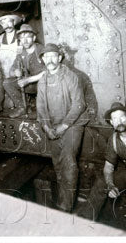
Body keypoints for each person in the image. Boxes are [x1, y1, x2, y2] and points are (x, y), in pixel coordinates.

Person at [36, 43, 88, 212]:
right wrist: (45, 126)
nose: (50, 59)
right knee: (57, 164)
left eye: (53, 56)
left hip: (72, 123)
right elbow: (41, 106)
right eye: (46, 56)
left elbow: (79, 104)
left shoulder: (70, 76)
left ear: (59, 58)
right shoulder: (42, 79)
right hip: (53, 125)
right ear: (43, 59)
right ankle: (64, 200)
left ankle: (65, 207)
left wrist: (64, 126)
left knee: (68, 162)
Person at [4, 24, 46, 118]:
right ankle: (22, 107)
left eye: (28, 37)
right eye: (22, 38)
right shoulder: (21, 52)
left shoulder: (41, 50)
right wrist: (15, 72)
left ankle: (41, 109)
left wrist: (28, 80)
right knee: (7, 82)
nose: (25, 41)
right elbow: (10, 71)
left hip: (43, 85)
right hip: (29, 85)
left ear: (34, 38)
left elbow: (48, 72)